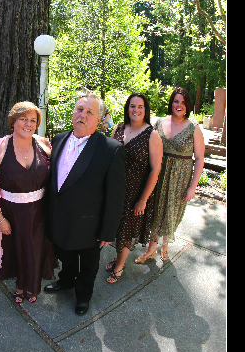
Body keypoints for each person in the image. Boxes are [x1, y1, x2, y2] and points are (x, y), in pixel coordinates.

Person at [44, 92, 126, 315]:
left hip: (90, 225)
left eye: (90, 112)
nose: (83, 115)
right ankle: (66, 280)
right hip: (59, 218)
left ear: (98, 120)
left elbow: (116, 196)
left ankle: (83, 296)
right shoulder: (59, 139)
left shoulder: (111, 149)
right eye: (80, 109)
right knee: (65, 255)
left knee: (88, 265)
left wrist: (108, 231)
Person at [0, 101, 56, 303]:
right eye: (23, 119)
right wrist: (0, 219)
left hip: (40, 211)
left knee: (36, 250)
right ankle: (20, 286)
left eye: (33, 120)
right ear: (13, 122)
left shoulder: (44, 145)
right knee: (16, 251)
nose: (28, 124)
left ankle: (32, 287)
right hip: (10, 212)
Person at [139, 87, 205, 263]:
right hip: (158, 174)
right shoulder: (159, 123)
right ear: (171, 103)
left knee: (171, 213)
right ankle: (155, 247)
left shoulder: (193, 128)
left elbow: (199, 159)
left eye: (183, 102)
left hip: (179, 178)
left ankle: (160, 246)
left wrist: (193, 186)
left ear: (188, 106)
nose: (179, 105)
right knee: (156, 210)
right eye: (176, 101)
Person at [105, 93, 163, 283]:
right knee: (116, 226)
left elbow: (155, 170)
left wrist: (143, 199)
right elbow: (109, 156)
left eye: (140, 107)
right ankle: (117, 258)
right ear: (127, 108)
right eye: (132, 106)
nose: (135, 110)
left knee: (126, 230)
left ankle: (120, 267)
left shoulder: (151, 134)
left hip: (136, 190)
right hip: (116, 187)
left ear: (145, 110)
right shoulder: (120, 128)